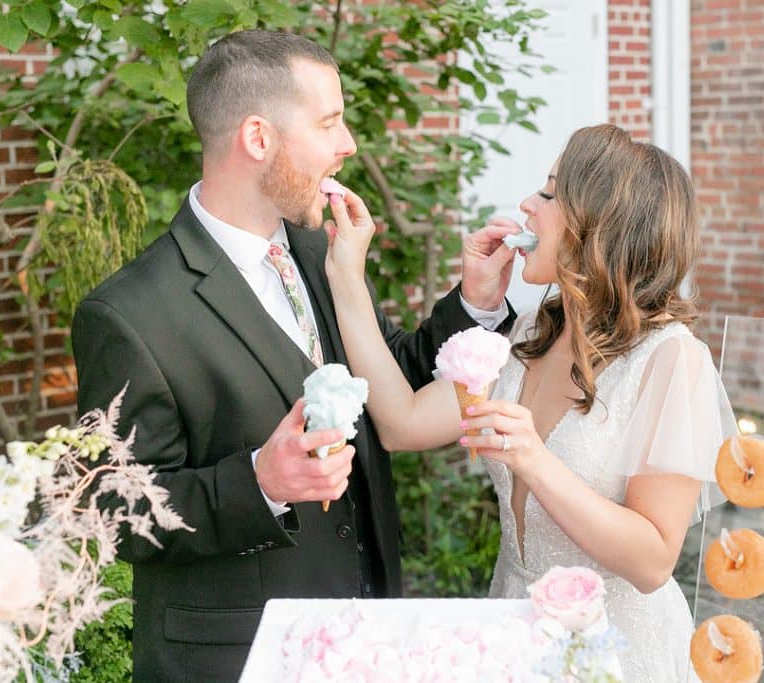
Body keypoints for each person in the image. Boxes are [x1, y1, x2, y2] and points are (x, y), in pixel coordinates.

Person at [71, 30, 516, 683]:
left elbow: (390, 375)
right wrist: (258, 482)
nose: (348, 144)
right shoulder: (130, 313)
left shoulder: (317, 251)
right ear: (258, 138)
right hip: (238, 659)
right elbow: (115, 509)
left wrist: (474, 302)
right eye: (329, 123)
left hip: (363, 641)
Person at [324, 123, 737, 682]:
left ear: (599, 223)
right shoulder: (530, 333)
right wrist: (346, 276)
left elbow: (653, 561)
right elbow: (403, 423)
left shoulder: (672, 358)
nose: (526, 205)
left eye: (548, 194)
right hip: (515, 634)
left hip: (615, 654)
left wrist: (535, 460)